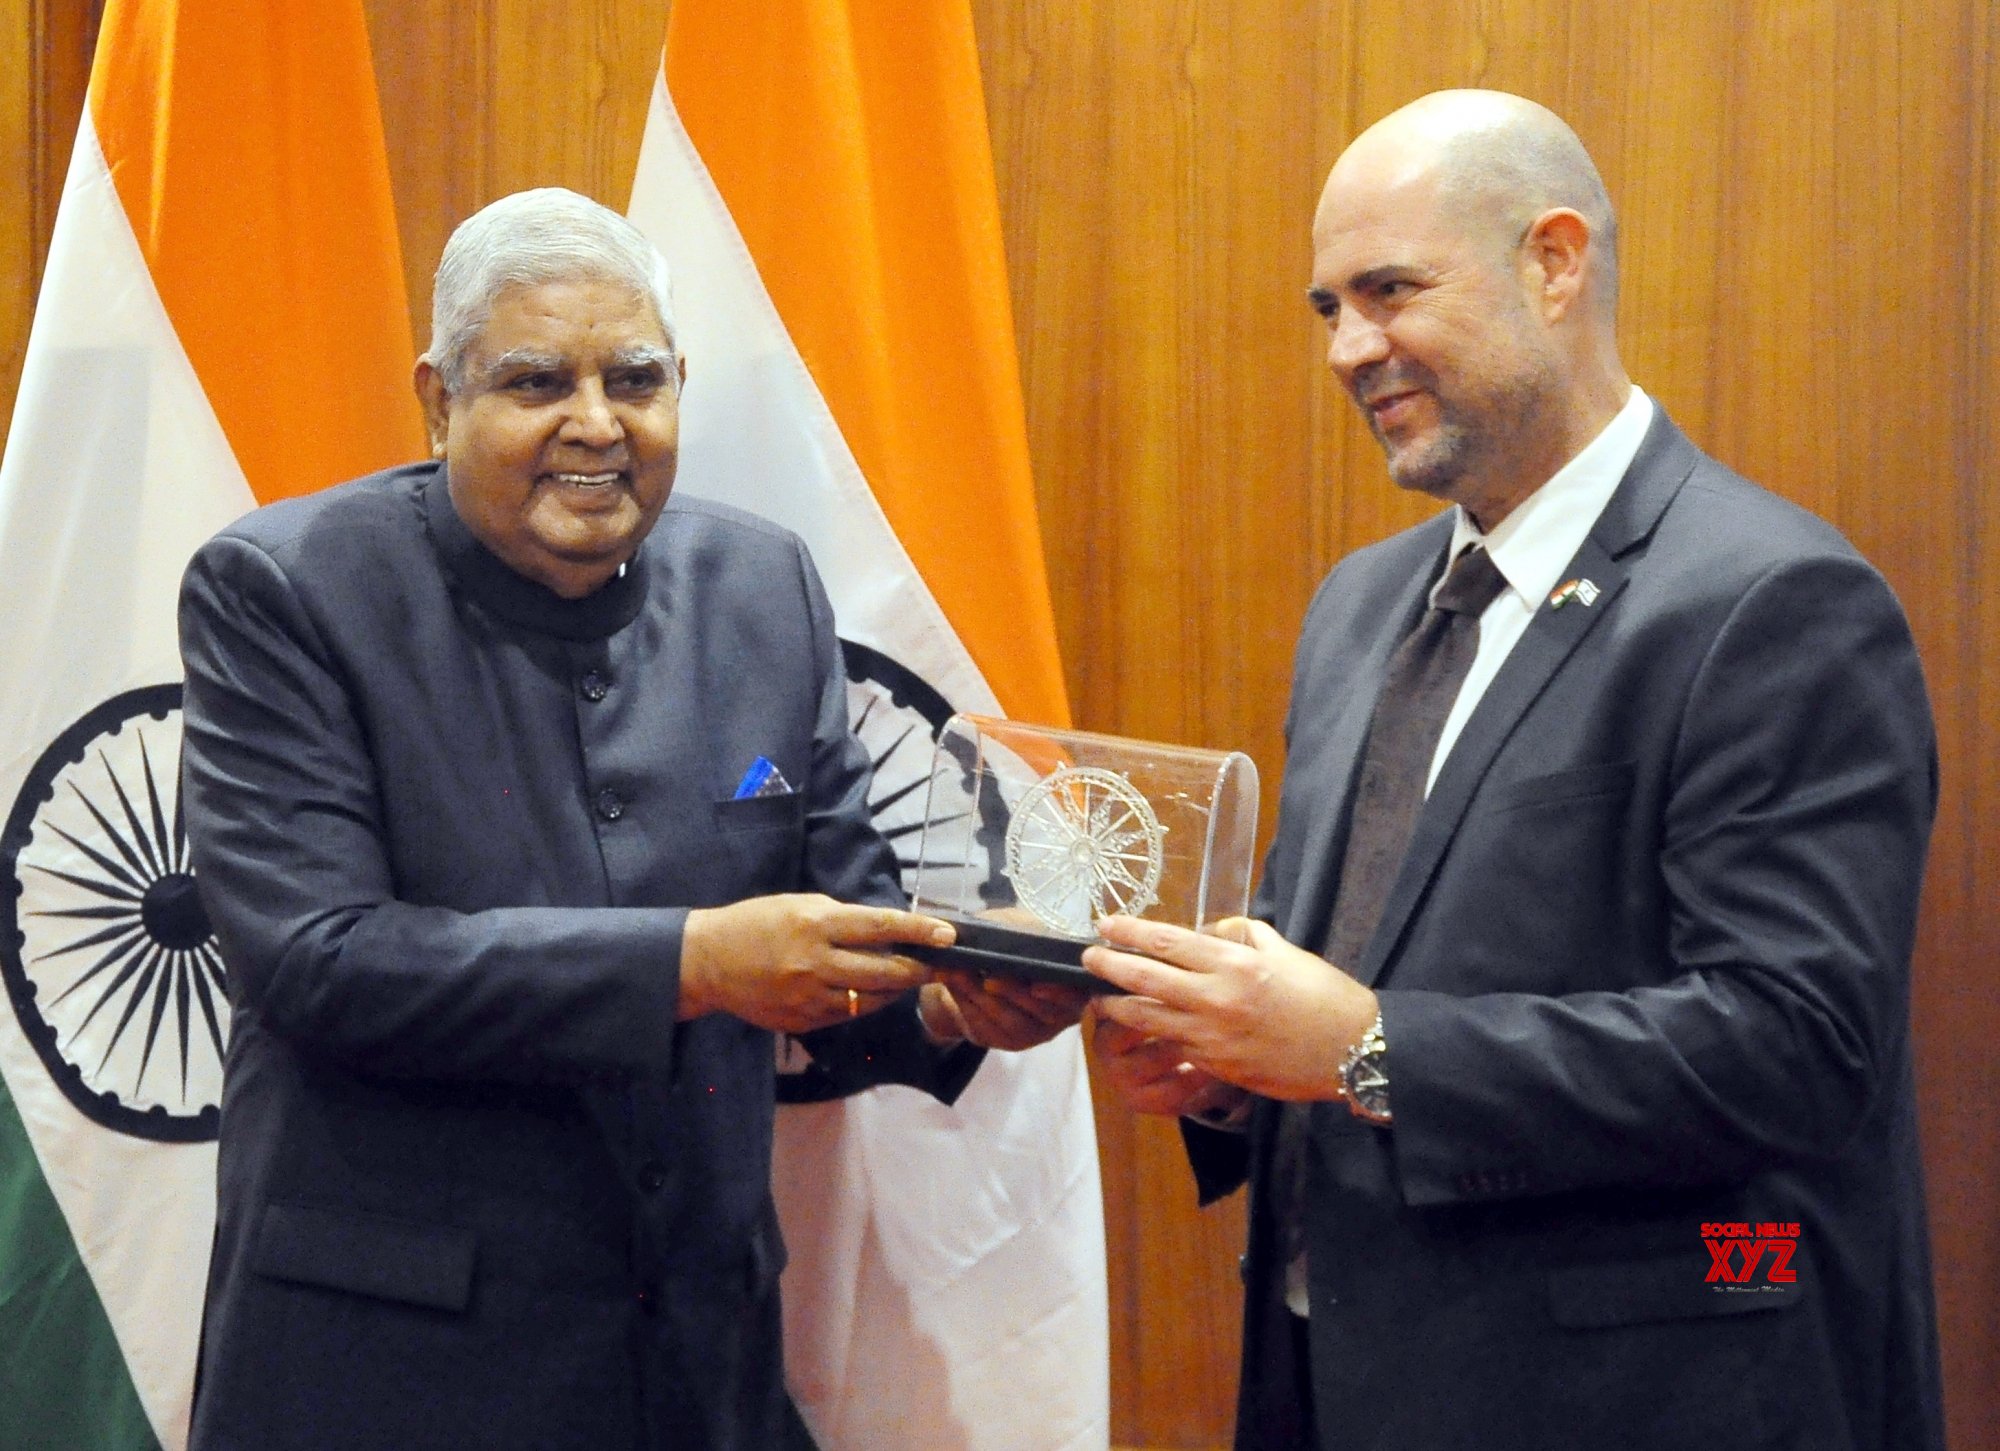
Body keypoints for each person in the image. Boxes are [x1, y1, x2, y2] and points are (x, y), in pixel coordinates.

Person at [1086, 91, 1943, 1450]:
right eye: (1327, 309)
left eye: (1388, 291)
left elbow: (1797, 1046)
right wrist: (1234, 1061)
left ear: (1554, 262)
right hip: (1325, 1382)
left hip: (1626, 1402)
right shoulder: (1359, 607)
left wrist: (1368, 1051)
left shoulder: (1774, 600)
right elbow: (1361, 968)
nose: (1351, 348)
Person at [178, 187, 1074, 1451]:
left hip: (695, 1365)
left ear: (679, 386)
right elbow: (320, 958)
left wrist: (948, 994)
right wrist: (694, 963)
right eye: (536, 381)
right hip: (391, 1369)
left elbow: (843, 905)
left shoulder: (762, 583)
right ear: (440, 399)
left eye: (634, 379)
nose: (594, 424)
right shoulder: (284, 588)